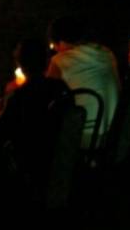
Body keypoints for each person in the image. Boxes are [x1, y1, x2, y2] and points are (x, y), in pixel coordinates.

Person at [0, 38, 70, 198]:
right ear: (46, 62)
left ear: (21, 64)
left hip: (28, 165)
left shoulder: (19, 97)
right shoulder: (61, 89)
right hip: (58, 159)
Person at [46, 16, 119, 148]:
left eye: (55, 47)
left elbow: (45, 97)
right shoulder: (107, 52)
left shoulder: (60, 61)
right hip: (116, 129)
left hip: (89, 136)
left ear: (61, 42)